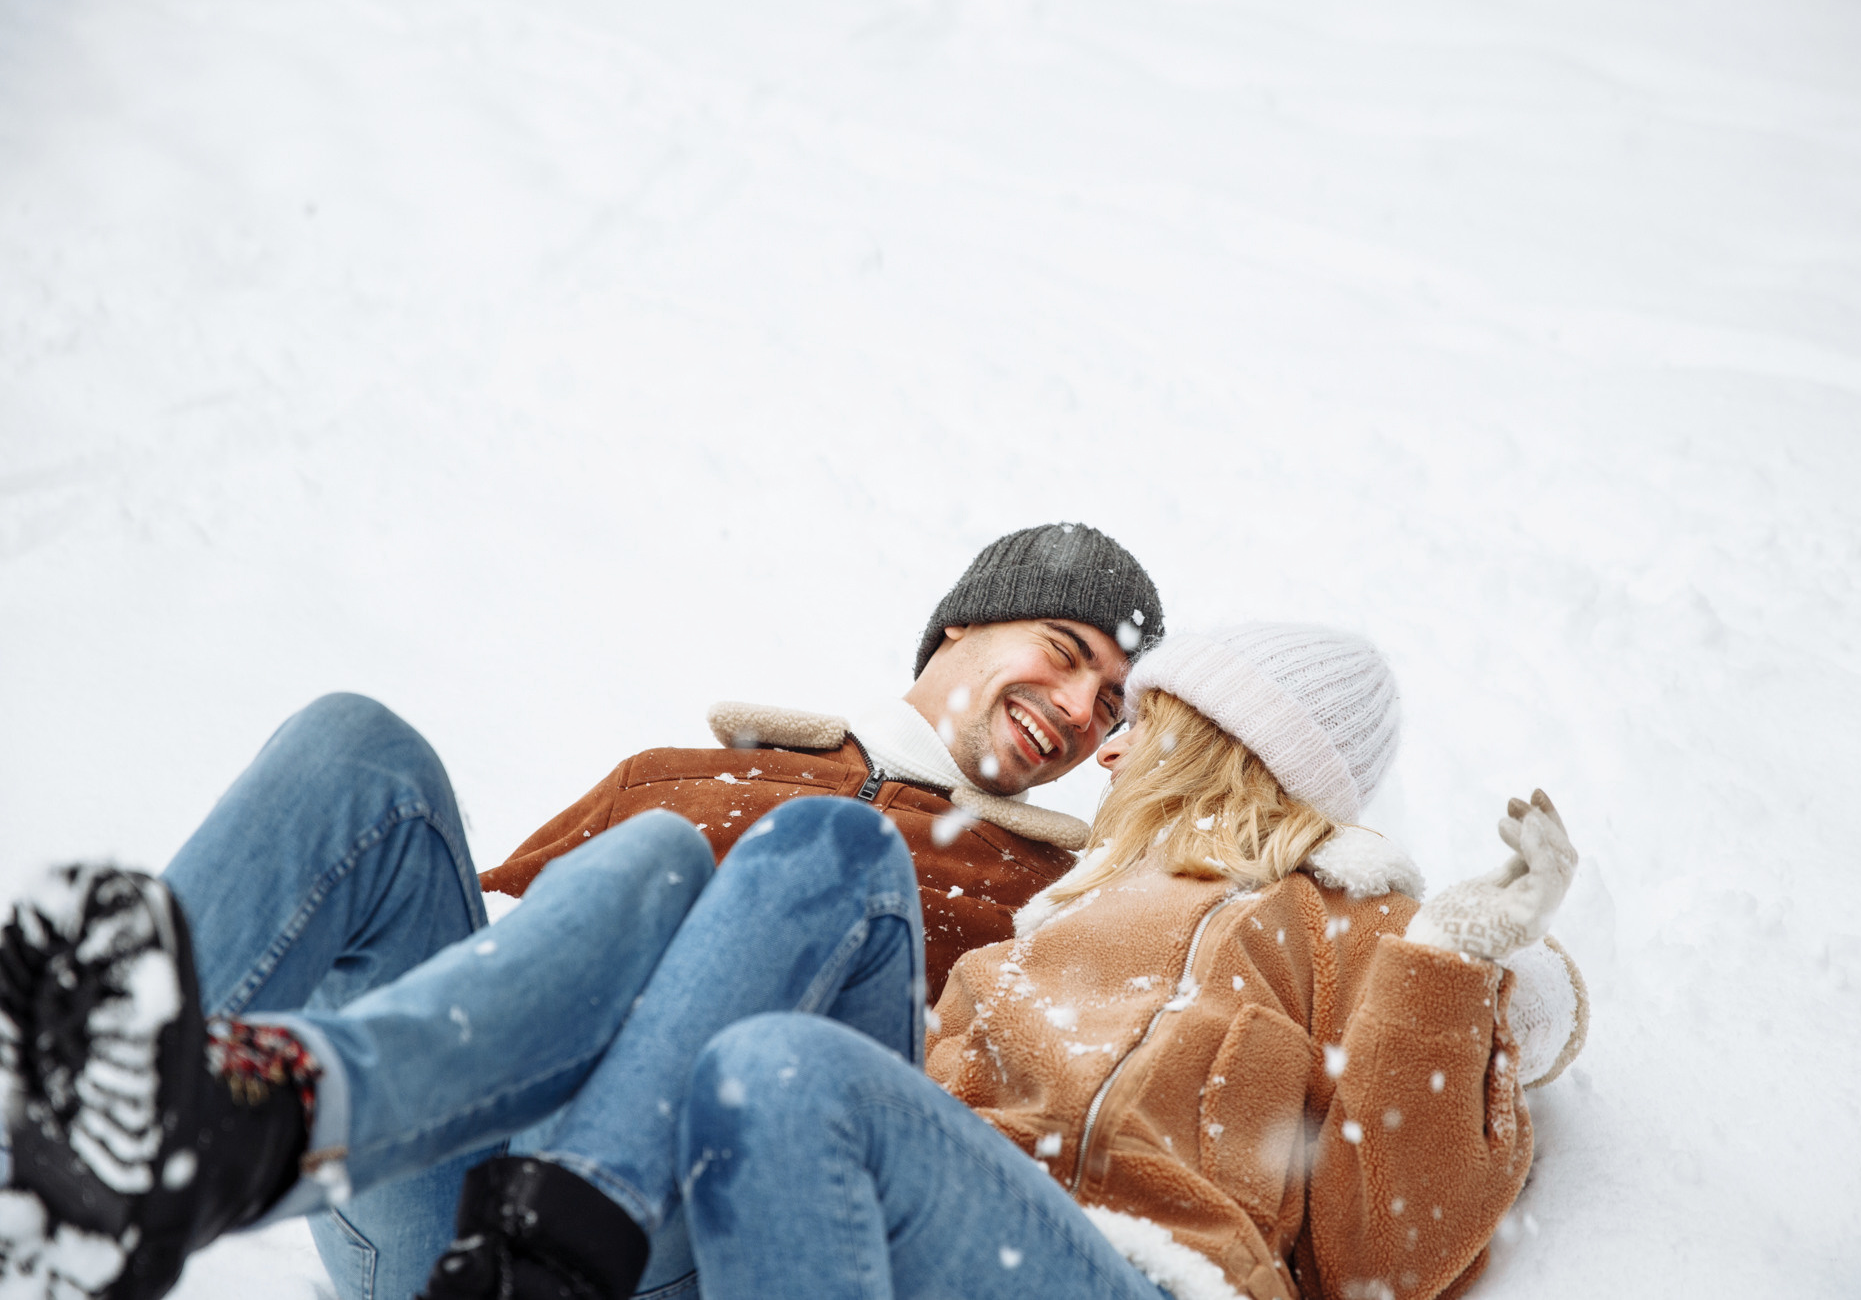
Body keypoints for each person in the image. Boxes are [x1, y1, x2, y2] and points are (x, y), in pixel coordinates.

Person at [0, 622, 1587, 1300]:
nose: (1099, 739)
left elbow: (1388, 1246)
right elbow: (506, 948)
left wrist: (1459, 962)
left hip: (1042, 1261)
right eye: (1082, 675)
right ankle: (100, 1104)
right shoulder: (1027, 909)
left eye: (1135, 713)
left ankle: (520, 1231)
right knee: (418, 774)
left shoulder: (1330, 930)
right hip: (492, 1174)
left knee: (791, 1001)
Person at [0, 522, 1163, 1300]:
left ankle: (548, 1222)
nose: (1076, 710)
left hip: (682, 1233)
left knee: (821, 848)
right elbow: (492, 954)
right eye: (1063, 654)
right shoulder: (677, 775)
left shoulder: (1051, 901)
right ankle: (85, 1120)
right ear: (963, 625)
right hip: (446, 1200)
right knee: (360, 749)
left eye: (1109, 704)